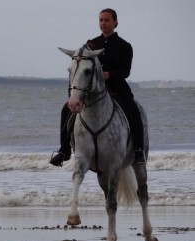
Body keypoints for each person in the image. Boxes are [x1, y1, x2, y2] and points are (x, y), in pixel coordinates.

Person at [50, 8, 146, 166]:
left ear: (115, 22)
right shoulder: (91, 44)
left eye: (107, 20)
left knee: (134, 110)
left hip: (117, 88)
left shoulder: (125, 46)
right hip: (92, 90)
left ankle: (138, 150)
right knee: (65, 110)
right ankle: (64, 151)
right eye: (101, 20)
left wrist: (109, 75)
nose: (103, 23)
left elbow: (125, 71)